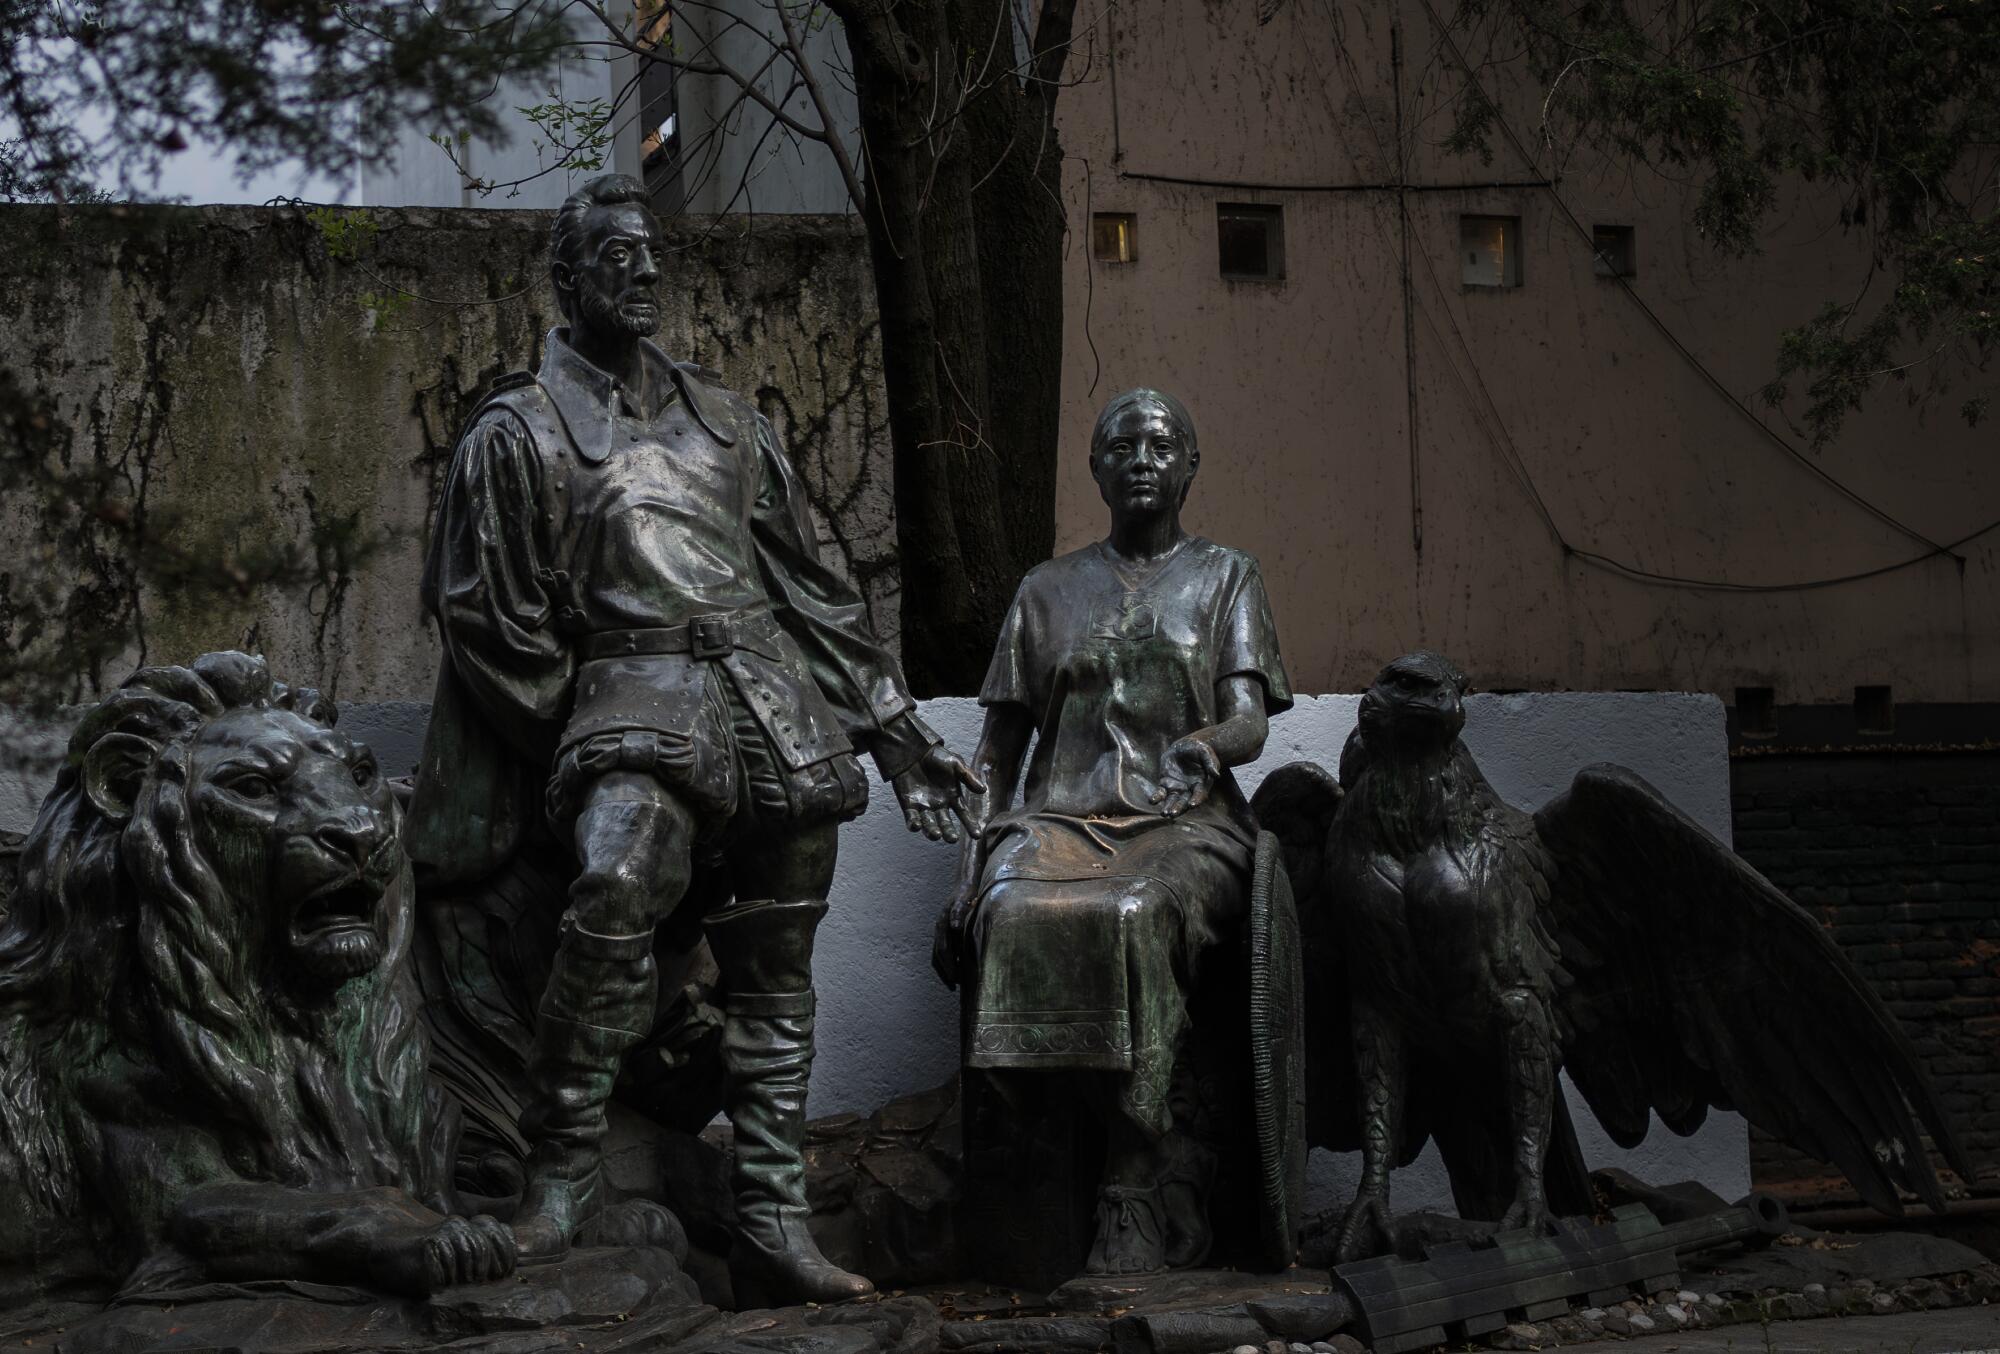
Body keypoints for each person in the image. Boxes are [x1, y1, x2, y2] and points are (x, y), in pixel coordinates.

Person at [406, 174, 977, 1305]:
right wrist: (577, 744)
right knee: (615, 881)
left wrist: (898, 730)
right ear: (566, 279)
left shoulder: (729, 421)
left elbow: (812, 594)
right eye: (616, 255)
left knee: (777, 969)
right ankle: (558, 1180)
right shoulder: (517, 431)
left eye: (652, 254)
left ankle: (772, 1216)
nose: (647, 272)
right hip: (628, 699)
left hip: (768, 702)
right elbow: (488, 620)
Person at [933, 388, 1292, 1275]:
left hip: (1185, 824)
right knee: (1012, 911)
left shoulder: (1226, 577)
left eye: (1162, 445)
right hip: (1058, 818)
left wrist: (1207, 748)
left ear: (1190, 467)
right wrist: (969, 871)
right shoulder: (1045, 590)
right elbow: (998, 750)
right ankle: (1077, 1156)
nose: (1141, 459)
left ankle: (1134, 1181)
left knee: (1134, 911)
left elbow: (1249, 719)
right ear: (1094, 468)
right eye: (1121, 445)